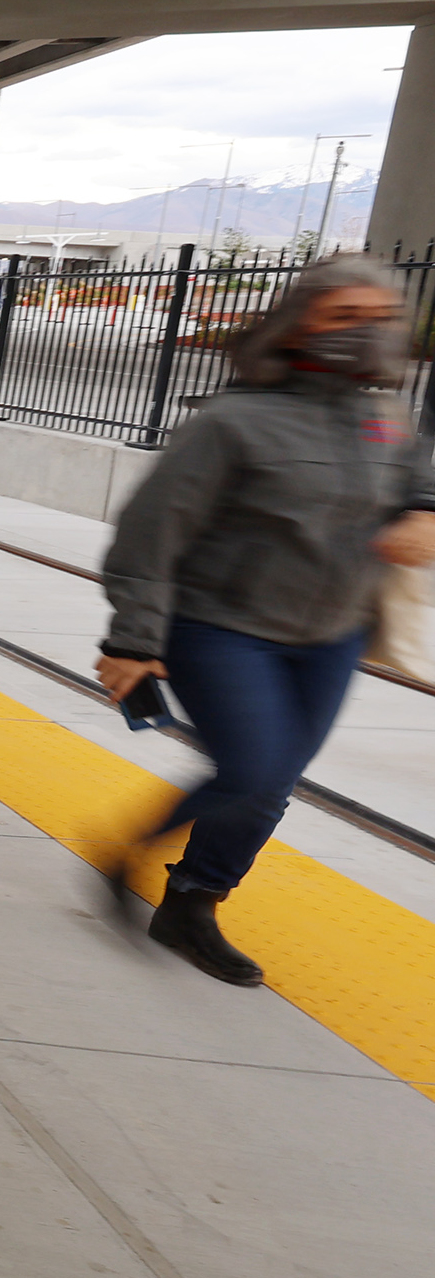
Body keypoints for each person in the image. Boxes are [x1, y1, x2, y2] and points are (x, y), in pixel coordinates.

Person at [95, 256, 435, 985]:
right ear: (298, 321)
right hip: (222, 625)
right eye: (345, 316)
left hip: (332, 633)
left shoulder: (380, 416)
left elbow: (415, 472)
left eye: (377, 319)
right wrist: (132, 638)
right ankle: (125, 850)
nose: (366, 333)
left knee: (273, 782)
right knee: (251, 769)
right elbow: (148, 535)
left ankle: (192, 904)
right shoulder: (234, 421)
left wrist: (422, 509)